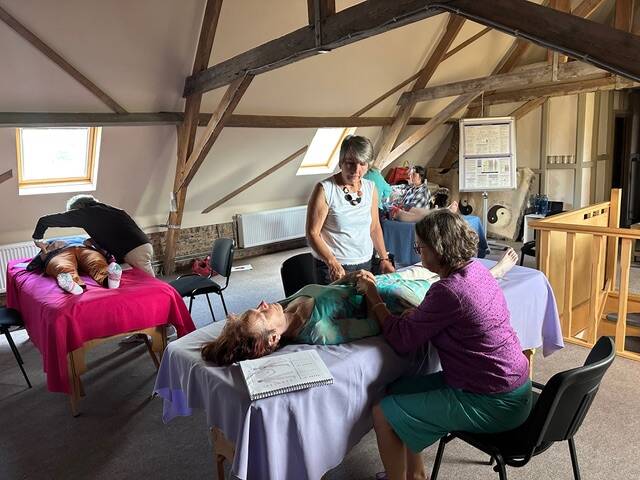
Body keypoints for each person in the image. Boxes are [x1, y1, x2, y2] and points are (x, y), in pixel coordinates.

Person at [354, 209, 531, 480]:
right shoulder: (477, 270)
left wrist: (374, 296)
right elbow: (458, 315)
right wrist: (422, 315)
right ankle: (416, 474)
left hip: (494, 401)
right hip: (511, 386)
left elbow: (402, 340)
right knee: (396, 392)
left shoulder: (447, 290)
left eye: (420, 247)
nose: (418, 252)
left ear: (438, 249)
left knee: (383, 414)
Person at [200, 247, 519, 366]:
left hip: (375, 285)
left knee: (428, 272)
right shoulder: (321, 330)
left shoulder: (284, 307)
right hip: (391, 301)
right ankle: (494, 274)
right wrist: (372, 292)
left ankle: (484, 273)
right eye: (261, 313)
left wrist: (348, 278)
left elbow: (330, 289)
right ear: (273, 339)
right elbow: (375, 325)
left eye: (256, 307)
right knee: (449, 288)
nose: (262, 303)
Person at [306, 135, 395, 284]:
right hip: (334, 265)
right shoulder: (325, 189)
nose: (356, 170)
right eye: (350, 163)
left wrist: (384, 258)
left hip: (365, 261)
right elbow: (312, 233)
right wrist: (332, 262)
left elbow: (374, 227)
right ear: (341, 162)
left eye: (362, 164)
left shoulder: (370, 188)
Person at [32, 194, 155, 276]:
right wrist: (94, 241)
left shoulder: (87, 213)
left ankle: (162, 301)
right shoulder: (111, 210)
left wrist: (38, 239)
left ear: (79, 208)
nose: (74, 215)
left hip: (134, 251)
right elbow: (114, 232)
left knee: (151, 283)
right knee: (136, 277)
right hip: (144, 245)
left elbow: (45, 220)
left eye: (74, 213)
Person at [27, 236, 122, 295]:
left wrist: (106, 255)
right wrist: (50, 248)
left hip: (85, 249)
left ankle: (110, 280)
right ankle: (73, 286)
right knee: (62, 266)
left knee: (96, 261)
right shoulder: (51, 242)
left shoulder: (83, 239)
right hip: (60, 253)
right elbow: (33, 264)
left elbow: (106, 253)